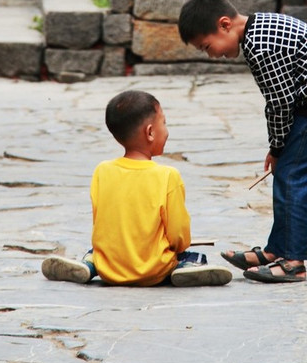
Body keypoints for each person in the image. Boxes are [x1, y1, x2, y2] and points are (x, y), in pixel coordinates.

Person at [178, 0, 307, 284]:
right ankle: (276, 251)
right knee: (286, 175)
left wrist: (277, 145)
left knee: (295, 181)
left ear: (225, 25)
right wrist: (280, 149)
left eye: (208, 46)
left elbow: (279, 103)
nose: (212, 55)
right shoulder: (259, 29)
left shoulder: (260, 46)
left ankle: (293, 262)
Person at [41, 89, 232, 288]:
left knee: (95, 252)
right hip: (153, 270)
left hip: (110, 268)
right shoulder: (168, 176)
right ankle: (183, 268)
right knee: (191, 255)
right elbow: (178, 236)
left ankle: (89, 265)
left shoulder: (102, 171)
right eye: (164, 123)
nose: (167, 130)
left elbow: (102, 224)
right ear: (150, 132)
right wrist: (180, 247)